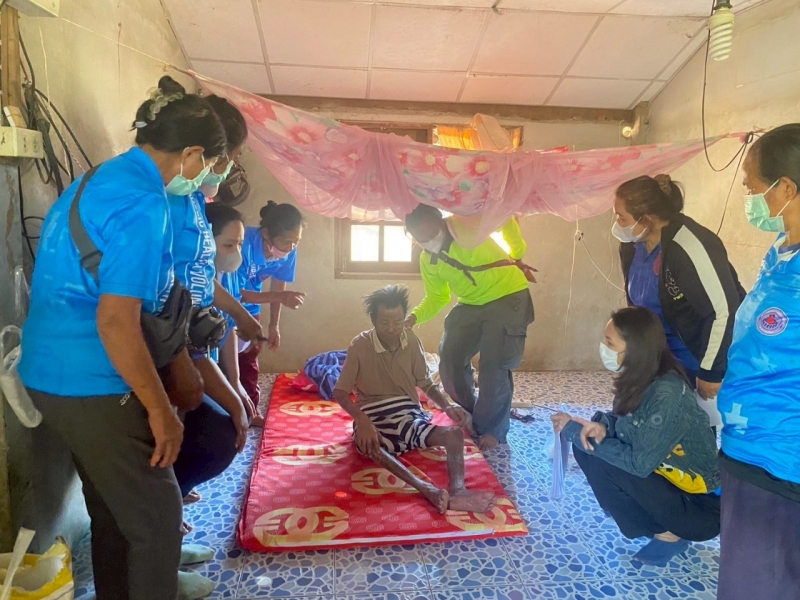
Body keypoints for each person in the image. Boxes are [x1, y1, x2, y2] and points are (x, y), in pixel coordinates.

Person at [17, 78, 227, 600]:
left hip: (46, 372)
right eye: (208, 163)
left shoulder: (98, 179)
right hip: (92, 379)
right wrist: (158, 410)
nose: (204, 175)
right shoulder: (143, 203)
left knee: (113, 510)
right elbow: (115, 321)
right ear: (193, 154)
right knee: (157, 520)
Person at [551, 307, 720, 567]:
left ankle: (671, 534)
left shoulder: (666, 394)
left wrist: (574, 431)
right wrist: (603, 426)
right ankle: (658, 526)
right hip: (670, 486)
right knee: (588, 446)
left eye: (610, 343)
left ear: (636, 349)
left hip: (700, 507)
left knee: (598, 452)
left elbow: (638, 464)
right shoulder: (639, 379)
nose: (604, 348)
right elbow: (627, 423)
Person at [716, 124, 800, 600]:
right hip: (749, 446)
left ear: (786, 188)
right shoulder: (781, 254)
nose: (749, 197)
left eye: (753, 187)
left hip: (781, 463)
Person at [333, 285, 496, 513]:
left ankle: (459, 491)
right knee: (370, 443)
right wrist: (362, 421)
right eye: (384, 323)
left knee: (455, 434)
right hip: (372, 412)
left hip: (408, 412)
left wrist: (447, 406)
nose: (391, 329)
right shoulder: (359, 346)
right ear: (373, 321)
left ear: (404, 319)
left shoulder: (411, 340)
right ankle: (426, 489)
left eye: (398, 322)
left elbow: (426, 383)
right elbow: (340, 392)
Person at [404, 205, 535, 451]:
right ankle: (472, 412)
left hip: (508, 294)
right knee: (450, 359)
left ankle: (493, 429)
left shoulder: (466, 223)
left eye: (431, 234)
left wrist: (517, 252)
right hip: (470, 303)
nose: (428, 241)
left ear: (441, 221)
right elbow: (437, 297)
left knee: (494, 364)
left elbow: (503, 217)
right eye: (420, 238)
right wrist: (413, 318)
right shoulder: (428, 259)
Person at [614, 174, 745, 401]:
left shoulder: (689, 247)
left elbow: (723, 311)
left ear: (646, 220)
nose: (618, 225)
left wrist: (711, 372)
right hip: (657, 360)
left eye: (621, 218)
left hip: (694, 359)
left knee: (689, 419)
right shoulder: (632, 246)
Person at [236, 201, 307, 406]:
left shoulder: (288, 251)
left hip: (252, 307)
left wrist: (274, 325)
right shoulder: (243, 244)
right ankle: (232, 408)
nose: (291, 247)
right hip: (226, 306)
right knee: (228, 361)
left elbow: (278, 285)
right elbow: (237, 294)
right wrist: (281, 298)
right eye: (286, 241)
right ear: (266, 234)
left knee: (250, 356)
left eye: (296, 241)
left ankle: (251, 408)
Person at [204, 202, 263, 426]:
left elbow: (229, 324)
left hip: (214, 356)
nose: (236, 252)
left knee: (239, 414)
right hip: (197, 362)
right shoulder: (193, 279)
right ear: (206, 242)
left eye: (239, 244)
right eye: (228, 245)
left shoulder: (229, 275)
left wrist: (235, 381)